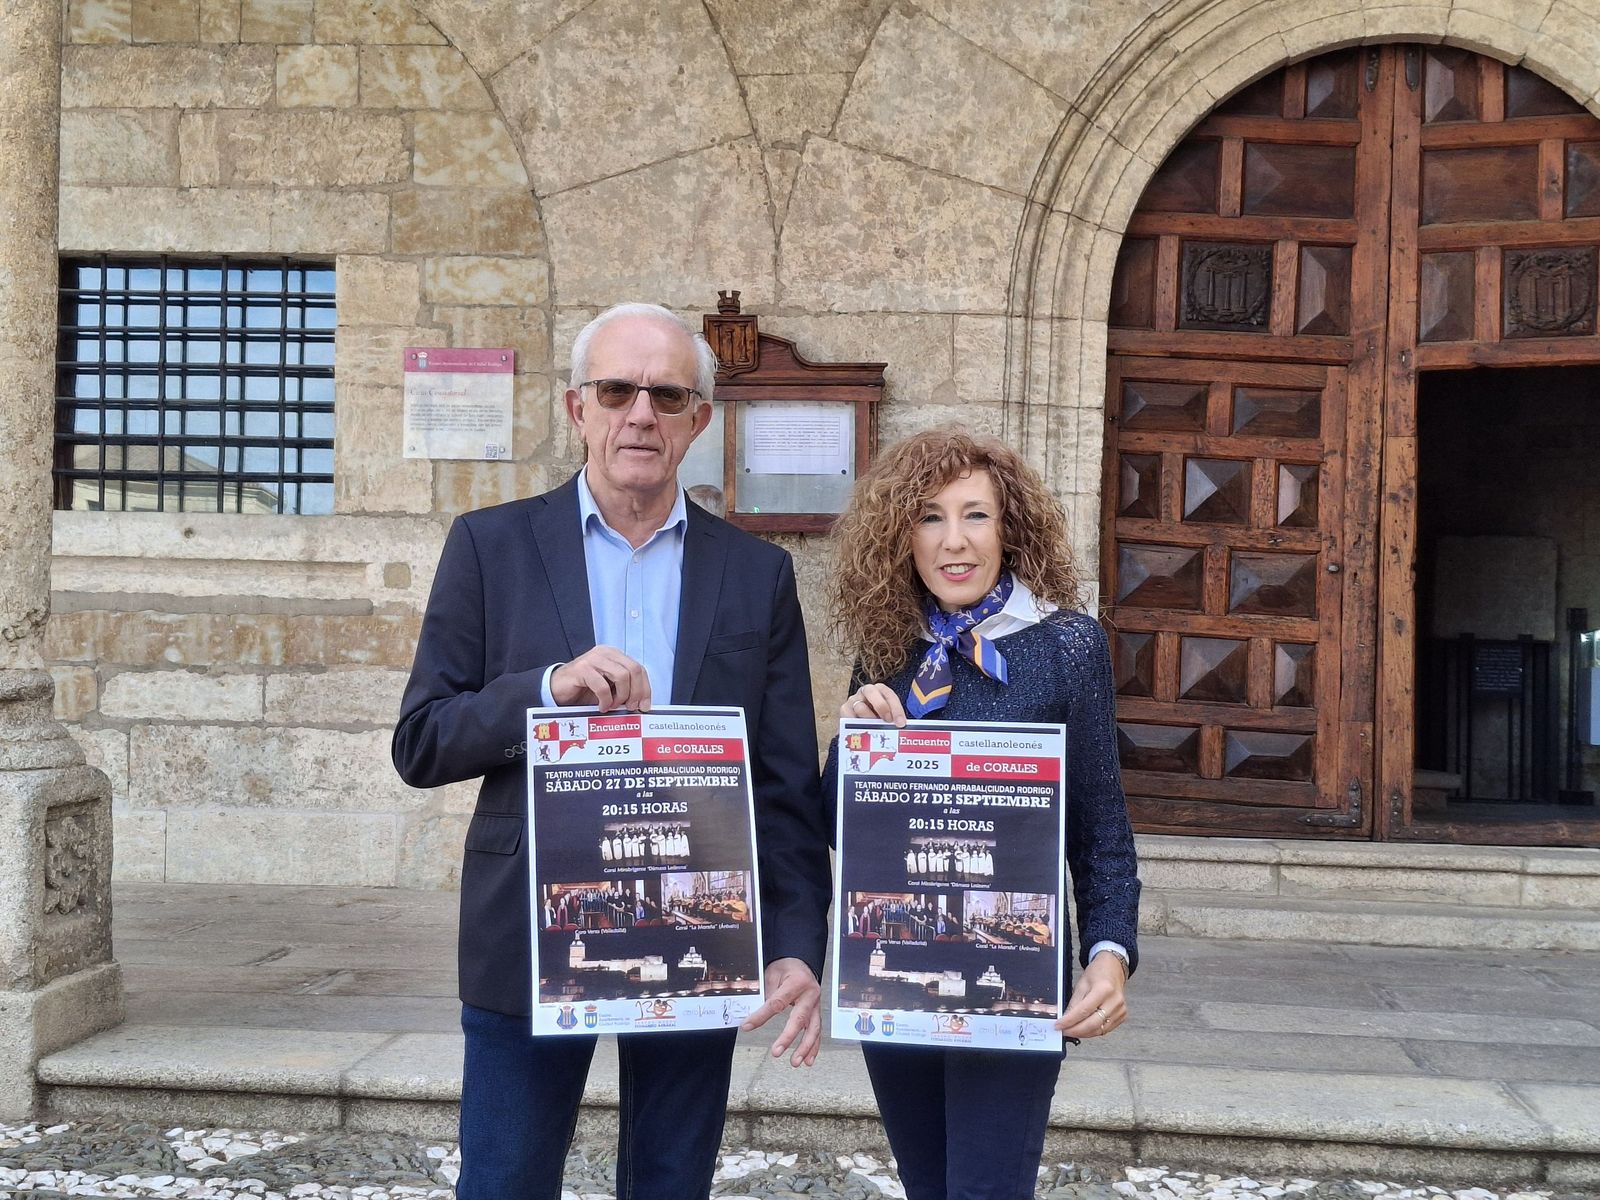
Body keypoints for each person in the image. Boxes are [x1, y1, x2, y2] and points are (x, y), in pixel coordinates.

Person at [392, 303, 832, 1200]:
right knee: (507, 1179)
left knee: (671, 1182)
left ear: (698, 421)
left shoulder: (756, 575)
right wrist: (544, 690)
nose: (641, 413)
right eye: (617, 390)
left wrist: (795, 942)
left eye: (667, 395)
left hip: (697, 929)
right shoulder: (491, 547)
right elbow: (422, 741)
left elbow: (783, 786)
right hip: (528, 928)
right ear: (576, 409)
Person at [826, 428, 1141, 1200]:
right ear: (903, 535)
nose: (953, 542)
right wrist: (851, 741)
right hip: (899, 975)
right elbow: (843, 822)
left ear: (1011, 530)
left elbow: (1101, 827)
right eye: (930, 517)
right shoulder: (891, 642)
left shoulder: (1068, 645)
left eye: (976, 516)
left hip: (1012, 978)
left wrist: (1109, 952)